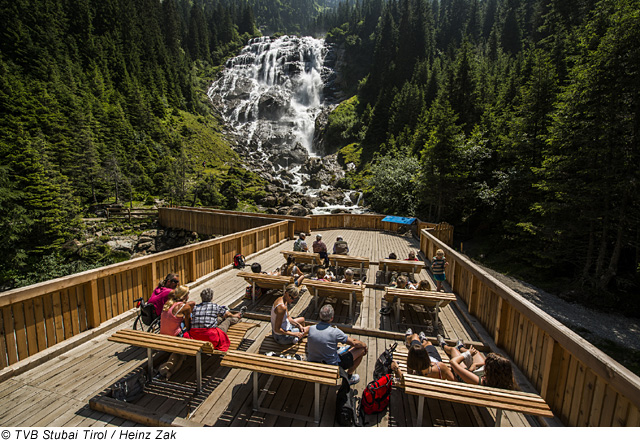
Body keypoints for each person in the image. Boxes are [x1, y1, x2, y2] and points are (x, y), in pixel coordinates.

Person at [307, 304, 367, 385]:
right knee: (361, 350)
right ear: (332, 318)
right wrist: (364, 345)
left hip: (313, 362)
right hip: (331, 366)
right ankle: (349, 377)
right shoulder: (335, 332)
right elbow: (354, 343)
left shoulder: (311, 329)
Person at [436, 335, 515, 389]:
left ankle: (444, 345)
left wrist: (467, 355)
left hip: (464, 374)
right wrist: (475, 364)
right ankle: (461, 347)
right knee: (476, 352)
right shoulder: (503, 381)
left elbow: (453, 363)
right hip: (474, 372)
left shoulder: (479, 381)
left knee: (453, 350)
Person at [157, 285, 194, 380]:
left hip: (163, 334)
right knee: (188, 335)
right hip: (174, 336)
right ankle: (168, 370)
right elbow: (188, 325)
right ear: (185, 296)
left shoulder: (168, 303)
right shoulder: (184, 307)